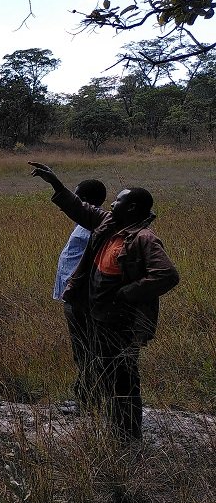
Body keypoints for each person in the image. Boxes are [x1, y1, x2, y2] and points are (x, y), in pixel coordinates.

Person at [29, 162, 179, 442]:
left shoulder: (143, 239)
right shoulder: (110, 224)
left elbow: (167, 275)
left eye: (117, 201)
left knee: (123, 377)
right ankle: (115, 429)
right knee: (106, 372)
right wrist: (56, 185)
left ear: (132, 208)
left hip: (122, 322)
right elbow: (81, 209)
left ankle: (127, 436)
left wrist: (127, 293)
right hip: (101, 318)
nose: (111, 205)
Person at [54, 178, 107, 411]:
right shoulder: (87, 221)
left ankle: (87, 399)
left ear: (83, 199)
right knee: (83, 349)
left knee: (86, 349)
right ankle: (87, 395)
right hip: (74, 295)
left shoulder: (95, 222)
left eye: (76, 196)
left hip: (83, 297)